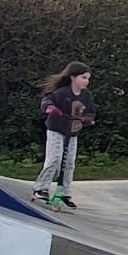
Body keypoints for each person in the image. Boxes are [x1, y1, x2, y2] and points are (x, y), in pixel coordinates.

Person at [31, 63, 95, 209]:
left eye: (88, 79)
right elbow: (47, 100)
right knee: (55, 159)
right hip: (56, 130)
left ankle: (65, 192)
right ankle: (41, 188)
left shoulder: (86, 96)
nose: (86, 81)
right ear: (73, 77)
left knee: (69, 163)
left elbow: (91, 111)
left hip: (72, 133)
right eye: (83, 77)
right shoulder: (62, 92)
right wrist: (50, 108)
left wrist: (88, 118)